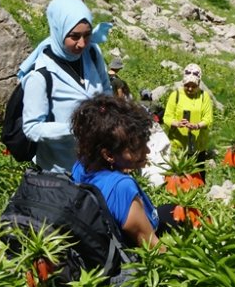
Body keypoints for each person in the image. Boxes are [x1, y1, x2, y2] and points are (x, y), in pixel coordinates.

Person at [17, 0, 113, 173]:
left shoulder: (92, 53)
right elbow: (32, 128)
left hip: (97, 163)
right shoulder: (41, 74)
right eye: (74, 37)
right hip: (60, 170)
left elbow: (106, 89)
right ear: (59, 31)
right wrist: (75, 128)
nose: (82, 44)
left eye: (87, 35)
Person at [70, 94, 177, 248]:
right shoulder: (122, 187)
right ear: (108, 155)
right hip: (134, 252)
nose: (146, 151)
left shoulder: (82, 165)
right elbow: (152, 246)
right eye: (135, 148)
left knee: (171, 211)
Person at [163, 63, 214, 178]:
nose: (190, 88)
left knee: (198, 177)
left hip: (198, 146)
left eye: (193, 86)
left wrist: (197, 126)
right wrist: (177, 123)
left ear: (199, 84)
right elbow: (167, 117)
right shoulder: (175, 95)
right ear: (183, 82)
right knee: (178, 177)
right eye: (187, 85)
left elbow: (208, 119)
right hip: (178, 144)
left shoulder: (203, 96)